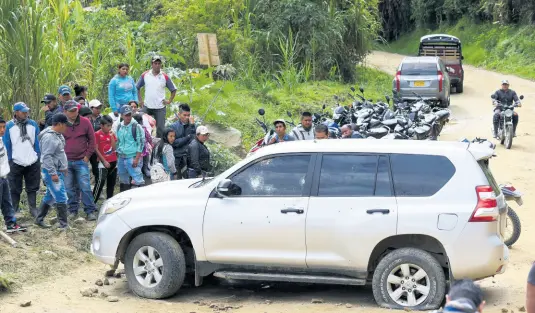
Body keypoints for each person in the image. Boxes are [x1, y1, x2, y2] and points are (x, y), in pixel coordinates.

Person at [3, 103, 41, 217]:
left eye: (26, 111)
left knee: (32, 187)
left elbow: (37, 142)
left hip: (32, 161)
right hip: (15, 161)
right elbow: (6, 143)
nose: (26, 113)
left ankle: (33, 209)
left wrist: (37, 156)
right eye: (23, 111)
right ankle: (14, 209)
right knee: (14, 187)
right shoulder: (9, 126)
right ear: (16, 112)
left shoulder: (33, 124)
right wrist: (9, 160)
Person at [62, 100, 97, 221]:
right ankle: (73, 210)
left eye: (75, 110)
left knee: (85, 186)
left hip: (81, 160)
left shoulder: (85, 122)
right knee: (68, 187)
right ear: (65, 111)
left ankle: (90, 210)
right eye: (71, 111)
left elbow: (92, 141)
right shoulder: (62, 123)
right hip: (66, 162)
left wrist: (87, 156)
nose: (74, 113)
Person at [35, 114, 69, 230]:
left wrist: (63, 167)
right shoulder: (49, 137)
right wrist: (53, 173)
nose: (66, 127)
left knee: (50, 197)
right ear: (59, 124)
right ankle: (63, 225)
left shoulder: (58, 135)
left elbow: (59, 153)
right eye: (65, 125)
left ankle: (39, 219)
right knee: (61, 197)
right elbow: (46, 157)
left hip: (57, 170)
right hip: (51, 171)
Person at [137, 55, 177, 138]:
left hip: (160, 107)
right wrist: (140, 100)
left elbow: (173, 89)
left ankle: (159, 147)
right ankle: (144, 143)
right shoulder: (145, 75)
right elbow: (137, 87)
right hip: (147, 106)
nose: (157, 65)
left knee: (161, 129)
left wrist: (169, 101)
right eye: (155, 63)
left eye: (159, 63)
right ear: (152, 64)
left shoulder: (164, 76)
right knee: (140, 122)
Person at [0, 118, 26, 232]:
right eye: (0, 127)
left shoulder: (1, 140)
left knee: (7, 202)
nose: (2, 130)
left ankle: (11, 223)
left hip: (4, 176)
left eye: (3, 127)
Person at [116, 105, 145, 190]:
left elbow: (141, 143)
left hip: (132, 157)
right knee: (123, 179)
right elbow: (119, 141)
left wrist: (136, 159)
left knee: (138, 179)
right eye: (126, 115)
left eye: (129, 114)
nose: (128, 117)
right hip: (121, 157)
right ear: (121, 115)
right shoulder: (119, 126)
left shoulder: (136, 126)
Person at [92, 116, 117, 201]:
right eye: (108, 126)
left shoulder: (112, 134)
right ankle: (93, 203)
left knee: (111, 183)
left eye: (111, 126)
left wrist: (112, 137)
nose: (109, 128)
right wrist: (104, 161)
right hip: (103, 162)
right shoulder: (97, 134)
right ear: (102, 125)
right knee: (100, 182)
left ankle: (109, 200)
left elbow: (114, 148)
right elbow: (96, 149)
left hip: (113, 160)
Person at [170, 104, 196, 179]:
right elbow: (174, 143)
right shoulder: (173, 126)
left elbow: (194, 140)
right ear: (179, 114)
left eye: (188, 115)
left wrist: (192, 126)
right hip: (177, 157)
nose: (187, 117)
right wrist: (187, 137)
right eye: (184, 115)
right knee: (177, 180)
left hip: (189, 157)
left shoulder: (192, 125)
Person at [87, 99, 103, 181]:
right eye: (96, 108)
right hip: (87, 147)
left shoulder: (102, 119)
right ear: (91, 108)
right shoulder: (86, 119)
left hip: (98, 148)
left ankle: (98, 186)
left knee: (97, 169)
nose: (98, 110)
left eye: (99, 108)